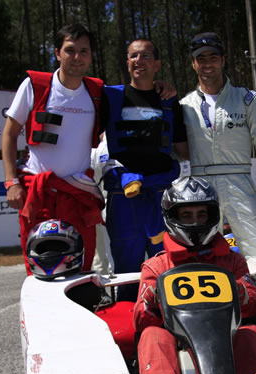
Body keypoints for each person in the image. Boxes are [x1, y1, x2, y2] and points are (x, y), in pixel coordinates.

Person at [134, 176, 256, 374]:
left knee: (249, 331)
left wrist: (237, 289)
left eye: (202, 214)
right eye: (187, 215)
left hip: (225, 334)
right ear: (172, 217)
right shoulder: (157, 266)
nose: (196, 221)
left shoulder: (232, 260)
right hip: (178, 339)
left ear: (213, 215)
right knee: (152, 335)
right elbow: (140, 319)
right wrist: (152, 297)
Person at [180, 32, 256, 310]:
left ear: (223, 59)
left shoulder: (248, 99)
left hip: (239, 181)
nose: (207, 63)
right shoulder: (183, 106)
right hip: (199, 188)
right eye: (201, 59)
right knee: (198, 251)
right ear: (193, 64)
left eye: (213, 56)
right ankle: (203, 315)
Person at [2, 24, 105, 275]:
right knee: (40, 268)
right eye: (70, 50)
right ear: (57, 53)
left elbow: (134, 93)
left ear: (91, 56)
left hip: (78, 196)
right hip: (39, 195)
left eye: (84, 51)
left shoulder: (97, 91)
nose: (77, 57)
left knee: (82, 267)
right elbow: (9, 133)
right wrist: (11, 182)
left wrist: (158, 86)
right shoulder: (35, 86)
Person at [102, 38, 190, 299]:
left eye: (146, 56)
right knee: (127, 268)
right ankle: (128, 321)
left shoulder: (170, 101)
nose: (139, 61)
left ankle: (169, 321)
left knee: (167, 265)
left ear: (158, 64)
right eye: (133, 56)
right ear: (127, 62)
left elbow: (183, 150)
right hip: (124, 195)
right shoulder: (110, 97)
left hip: (162, 194)